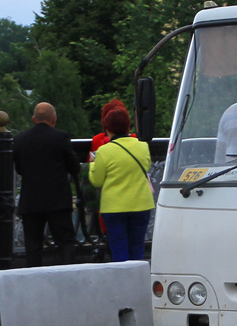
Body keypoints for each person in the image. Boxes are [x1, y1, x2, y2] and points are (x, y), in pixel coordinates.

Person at [13, 102, 80, 267]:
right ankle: (67, 277)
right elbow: (74, 167)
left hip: (31, 200)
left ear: (34, 119)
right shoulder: (60, 137)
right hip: (57, 200)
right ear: (54, 119)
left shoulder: (20, 139)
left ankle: (34, 280)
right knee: (65, 241)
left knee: (33, 245)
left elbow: (19, 168)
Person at [88, 105, 155, 262]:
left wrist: (92, 163)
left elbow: (96, 180)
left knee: (119, 249)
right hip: (141, 204)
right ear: (127, 126)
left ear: (108, 128)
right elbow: (146, 167)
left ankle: (123, 284)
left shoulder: (104, 151)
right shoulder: (142, 146)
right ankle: (137, 283)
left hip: (114, 207)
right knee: (137, 248)